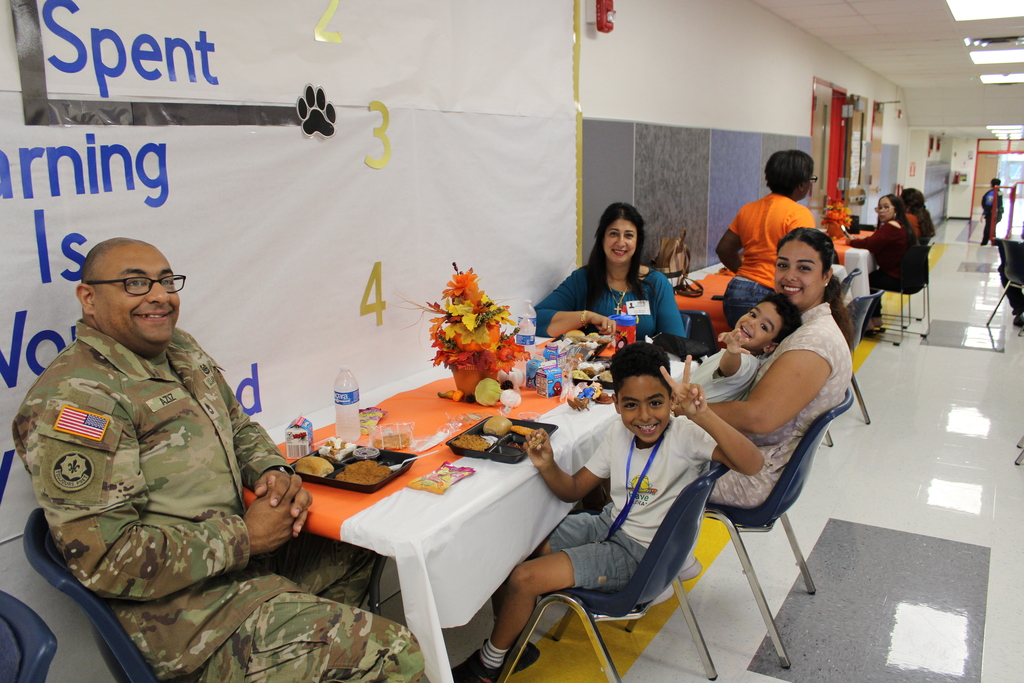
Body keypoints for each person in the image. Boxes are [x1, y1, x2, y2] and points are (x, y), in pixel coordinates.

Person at [12, 238, 423, 682]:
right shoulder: (77, 401)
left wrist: (273, 469)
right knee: (392, 652)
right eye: (135, 283)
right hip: (186, 622)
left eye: (167, 281)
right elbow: (108, 560)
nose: (159, 295)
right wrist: (245, 537)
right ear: (89, 298)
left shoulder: (179, 350)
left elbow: (237, 424)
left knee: (356, 548)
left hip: (238, 571)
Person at [708, 228, 853, 509]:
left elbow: (757, 419)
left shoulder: (814, 341)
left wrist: (680, 409)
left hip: (753, 472)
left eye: (804, 268)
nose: (789, 276)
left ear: (826, 276)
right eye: (783, 264)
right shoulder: (804, 324)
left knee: (627, 463)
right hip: (746, 452)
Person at [535, 202, 687, 341]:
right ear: (602, 238)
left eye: (629, 235)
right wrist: (587, 316)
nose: (621, 242)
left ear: (637, 242)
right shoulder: (582, 279)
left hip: (643, 368)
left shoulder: (656, 283)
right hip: (591, 369)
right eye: (613, 234)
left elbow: (677, 342)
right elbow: (535, 320)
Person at [716, 150, 816, 327]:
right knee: (769, 353)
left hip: (736, 290)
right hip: (770, 293)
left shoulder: (748, 209)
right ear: (802, 184)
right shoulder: (798, 214)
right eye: (811, 180)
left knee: (742, 350)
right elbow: (805, 262)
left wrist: (748, 273)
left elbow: (724, 249)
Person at [691, 292, 802, 403]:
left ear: (769, 346)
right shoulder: (738, 353)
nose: (752, 322)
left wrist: (732, 352)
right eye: (753, 314)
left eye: (763, 327)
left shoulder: (748, 362)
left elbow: (729, 369)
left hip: (686, 417)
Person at [847, 193, 918, 332]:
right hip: (908, 277)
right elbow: (877, 240)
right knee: (874, 277)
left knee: (866, 280)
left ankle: (868, 322)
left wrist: (851, 241)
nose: (881, 211)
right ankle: (876, 318)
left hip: (896, 278)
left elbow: (872, 244)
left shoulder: (891, 226)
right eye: (879, 207)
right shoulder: (901, 225)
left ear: (896, 209)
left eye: (886, 207)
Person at [980, 178, 1004, 246]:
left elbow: (988, 204)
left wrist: (984, 213)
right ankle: (990, 242)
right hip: (998, 213)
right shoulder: (1000, 192)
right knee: (991, 228)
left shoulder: (992, 193)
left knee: (989, 228)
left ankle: (990, 242)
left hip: (991, 214)